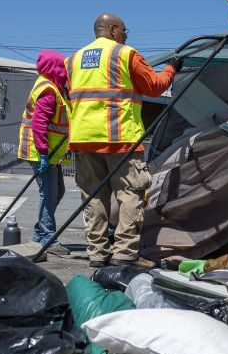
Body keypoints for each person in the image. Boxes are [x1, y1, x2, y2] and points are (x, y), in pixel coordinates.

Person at [66, 13, 181, 268]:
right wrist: (173, 68)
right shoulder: (124, 54)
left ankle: (97, 253)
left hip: (83, 139)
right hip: (118, 138)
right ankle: (125, 253)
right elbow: (154, 86)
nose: (127, 35)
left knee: (94, 198)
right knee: (130, 195)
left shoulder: (72, 60)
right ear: (113, 29)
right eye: (125, 30)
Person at [18, 50, 71, 256]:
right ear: (54, 68)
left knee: (58, 192)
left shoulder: (53, 87)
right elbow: (39, 124)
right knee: (48, 193)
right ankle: (48, 237)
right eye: (62, 68)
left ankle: (40, 233)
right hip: (41, 150)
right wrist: (42, 153)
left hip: (51, 151)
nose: (65, 72)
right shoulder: (48, 90)